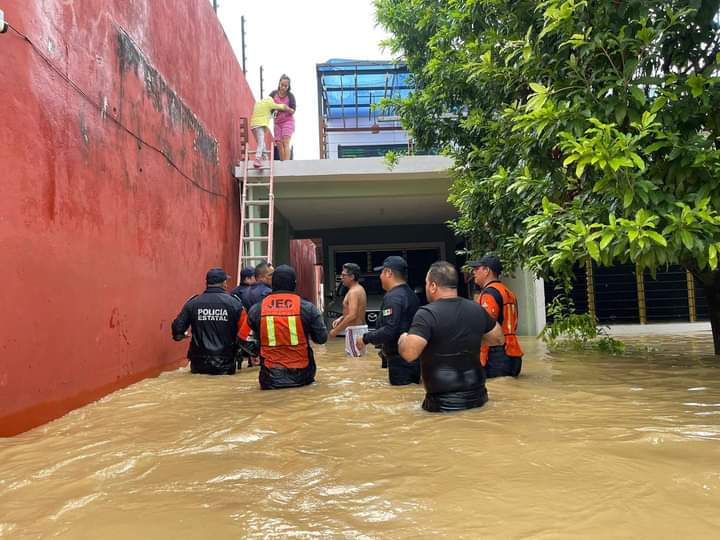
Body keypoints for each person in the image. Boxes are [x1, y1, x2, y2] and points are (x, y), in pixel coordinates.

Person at [398, 261, 505, 412]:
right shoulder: (476, 308)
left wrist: (403, 339)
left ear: (433, 286)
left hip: (443, 403)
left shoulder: (426, 314)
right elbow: (498, 338)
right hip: (479, 397)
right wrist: (471, 339)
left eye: (427, 283)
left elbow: (409, 353)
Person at [245, 265, 328, 389]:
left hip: (270, 378)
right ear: (294, 284)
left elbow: (244, 340)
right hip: (302, 376)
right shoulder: (308, 308)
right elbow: (321, 339)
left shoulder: (256, 310)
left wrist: (256, 352)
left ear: (273, 283)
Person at [355, 256, 420, 385]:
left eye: (381, 272)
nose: (380, 277)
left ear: (389, 273)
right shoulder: (410, 294)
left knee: (400, 392)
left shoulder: (394, 297)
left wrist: (365, 339)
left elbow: (390, 330)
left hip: (400, 361)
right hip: (412, 358)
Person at [171, 267, 244, 375]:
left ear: (206, 283)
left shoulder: (193, 303)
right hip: (225, 363)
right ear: (224, 283)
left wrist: (180, 335)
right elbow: (245, 332)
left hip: (199, 363)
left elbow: (177, 328)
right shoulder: (234, 303)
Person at [467, 254, 524, 378]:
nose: (474, 272)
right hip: (513, 353)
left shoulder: (489, 294)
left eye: (477, 269)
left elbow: (485, 326)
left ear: (487, 270)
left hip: (496, 356)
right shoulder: (508, 292)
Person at [329, 263, 368, 356]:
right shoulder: (359, 289)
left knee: (354, 360)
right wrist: (341, 318)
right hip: (360, 330)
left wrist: (336, 331)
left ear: (352, 277)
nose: (341, 277)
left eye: (343, 275)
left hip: (354, 331)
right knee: (359, 359)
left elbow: (352, 315)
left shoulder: (353, 292)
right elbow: (355, 311)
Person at [250, 97, 291, 169]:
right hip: (260, 125)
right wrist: (287, 108)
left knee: (263, 144)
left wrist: (274, 114)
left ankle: (265, 160)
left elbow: (267, 116)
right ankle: (257, 159)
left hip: (253, 126)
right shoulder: (269, 102)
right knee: (261, 144)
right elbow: (280, 106)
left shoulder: (258, 104)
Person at [230, 267, 257, 369]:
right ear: (247, 278)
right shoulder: (252, 292)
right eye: (254, 277)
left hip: (236, 327)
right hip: (248, 326)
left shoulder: (233, 292)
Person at [269, 74, 296, 161]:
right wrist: (273, 111)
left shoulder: (290, 96)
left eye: (286, 86)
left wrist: (287, 108)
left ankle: (286, 163)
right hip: (277, 123)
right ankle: (282, 162)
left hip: (288, 121)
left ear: (288, 86)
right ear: (279, 83)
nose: (283, 87)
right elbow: (268, 105)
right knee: (279, 144)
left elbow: (293, 110)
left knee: (285, 142)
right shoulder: (273, 94)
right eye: (282, 85)